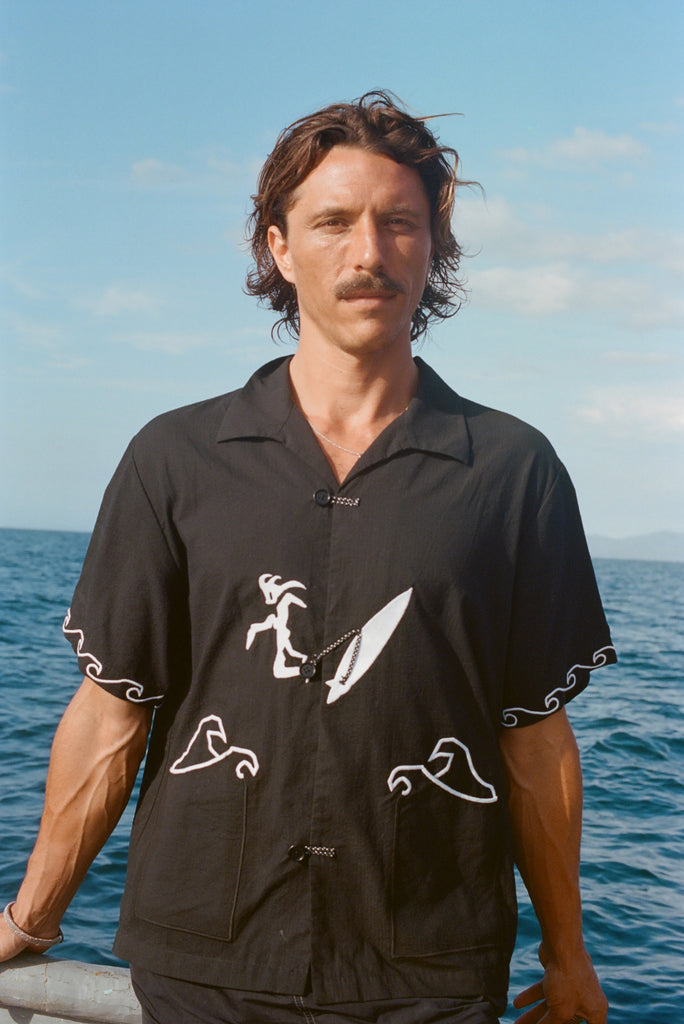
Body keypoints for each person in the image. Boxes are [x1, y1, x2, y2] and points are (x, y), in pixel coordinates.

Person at [0, 92, 616, 1024]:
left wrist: (567, 957)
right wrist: (29, 920)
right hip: (206, 963)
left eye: (399, 223)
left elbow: (534, 740)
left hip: (429, 976)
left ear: (432, 249)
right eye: (332, 222)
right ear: (279, 248)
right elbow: (112, 713)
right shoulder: (175, 458)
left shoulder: (513, 471)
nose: (368, 254)